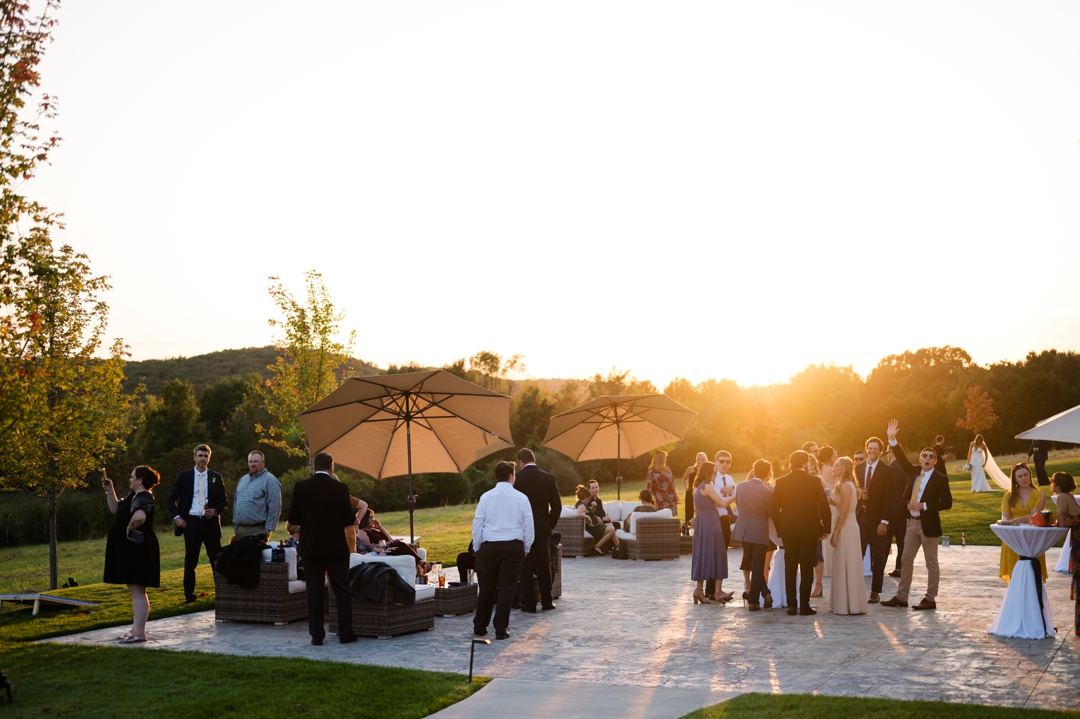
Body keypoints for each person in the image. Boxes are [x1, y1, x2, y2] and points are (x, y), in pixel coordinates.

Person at [287, 452, 359, 645]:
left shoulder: (301, 487)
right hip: (335, 548)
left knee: (314, 591)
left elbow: (293, 519)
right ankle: (345, 634)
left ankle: (316, 636)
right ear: (331, 466)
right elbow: (347, 519)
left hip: (311, 547)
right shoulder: (340, 488)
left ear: (314, 466)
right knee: (342, 590)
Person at [882, 419, 953, 611]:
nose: (927, 458)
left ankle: (930, 598)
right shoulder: (913, 472)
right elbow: (900, 457)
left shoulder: (940, 479)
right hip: (911, 524)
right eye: (924, 456)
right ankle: (901, 596)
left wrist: (924, 505)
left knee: (931, 563)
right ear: (920, 459)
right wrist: (891, 438)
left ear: (935, 461)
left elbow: (948, 503)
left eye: (931, 456)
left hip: (928, 525)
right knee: (905, 560)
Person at [472, 460, 534, 640]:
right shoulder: (521, 498)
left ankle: (480, 626)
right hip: (513, 547)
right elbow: (529, 525)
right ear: (511, 476)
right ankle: (501, 629)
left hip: (489, 547)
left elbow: (478, 523)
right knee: (507, 588)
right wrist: (526, 547)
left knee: (486, 588)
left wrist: (477, 546)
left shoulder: (486, 497)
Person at [103, 466, 161, 643]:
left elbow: (140, 517)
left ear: (140, 480)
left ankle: (139, 634)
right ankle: (135, 629)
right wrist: (109, 490)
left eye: (132, 477)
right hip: (132, 548)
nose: (130, 479)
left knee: (137, 591)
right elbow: (116, 510)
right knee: (136, 590)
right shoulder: (134, 496)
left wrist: (128, 529)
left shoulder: (143, 497)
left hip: (138, 548)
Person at [768, 450, 831, 616]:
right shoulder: (814, 481)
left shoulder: (781, 482)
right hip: (809, 531)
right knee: (806, 567)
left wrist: (779, 526)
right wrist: (826, 528)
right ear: (805, 464)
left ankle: (791, 606)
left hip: (788, 530)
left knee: (790, 567)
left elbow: (773, 507)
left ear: (791, 464)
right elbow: (824, 505)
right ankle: (804, 606)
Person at [166, 444, 229, 604]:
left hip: (210, 524)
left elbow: (224, 501)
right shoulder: (184, 476)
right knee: (190, 561)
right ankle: (189, 597)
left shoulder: (216, 476)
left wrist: (215, 510)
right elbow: (170, 499)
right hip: (191, 523)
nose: (203, 458)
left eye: (205, 456)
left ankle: (222, 594)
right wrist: (177, 517)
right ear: (194, 457)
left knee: (216, 559)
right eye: (200, 455)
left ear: (209, 458)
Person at [513, 448, 561, 613]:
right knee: (544, 565)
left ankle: (529, 604)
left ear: (521, 462)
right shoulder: (549, 477)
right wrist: (549, 524)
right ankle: (547, 602)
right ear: (534, 459)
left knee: (525, 566)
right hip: (542, 528)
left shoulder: (517, 478)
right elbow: (557, 506)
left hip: (523, 529)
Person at [857, 436, 896, 604]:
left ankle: (875, 591)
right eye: (870, 448)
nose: (872, 451)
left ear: (880, 451)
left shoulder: (887, 471)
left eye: (875, 449)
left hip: (878, 520)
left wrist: (884, 521)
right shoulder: (857, 468)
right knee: (856, 554)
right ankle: (856, 589)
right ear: (866, 449)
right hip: (860, 518)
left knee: (878, 556)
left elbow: (890, 498)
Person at [691, 461, 736, 604]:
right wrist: (736, 494)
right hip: (711, 522)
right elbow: (723, 504)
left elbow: (697, 508)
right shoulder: (708, 486)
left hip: (701, 523)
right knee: (718, 552)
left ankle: (699, 591)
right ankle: (717, 592)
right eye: (714, 472)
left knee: (703, 554)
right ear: (708, 472)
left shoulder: (697, 487)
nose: (716, 474)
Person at [733, 459, 774, 611]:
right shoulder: (768, 493)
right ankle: (753, 601)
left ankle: (764, 593)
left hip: (744, 531)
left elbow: (738, 505)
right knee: (757, 567)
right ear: (768, 475)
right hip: (759, 533)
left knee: (755, 566)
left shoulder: (741, 486)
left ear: (754, 472)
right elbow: (771, 513)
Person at [828, 457, 867, 616]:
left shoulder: (845, 486)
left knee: (848, 563)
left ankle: (848, 604)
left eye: (837, 465)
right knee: (845, 563)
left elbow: (844, 512)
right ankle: (847, 602)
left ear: (844, 468)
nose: (833, 467)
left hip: (846, 528)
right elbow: (840, 506)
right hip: (847, 525)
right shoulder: (846, 485)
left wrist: (836, 532)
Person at [998, 463, 1048, 583]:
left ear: (1030, 476)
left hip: (1032, 537)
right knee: (1014, 575)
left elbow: (1036, 517)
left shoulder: (1040, 495)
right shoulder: (1008, 495)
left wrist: (1017, 520)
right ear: (1014, 479)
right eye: (1020, 476)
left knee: (1033, 576)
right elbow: (1005, 516)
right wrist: (1005, 521)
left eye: (1026, 475)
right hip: (1013, 537)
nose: (1024, 478)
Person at [1050, 472, 1080, 635]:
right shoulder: (1070, 495)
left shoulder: (1062, 496)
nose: (1051, 483)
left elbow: (1062, 520)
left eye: (1053, 481)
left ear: (1059, 485)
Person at [231, 450, 283, 542]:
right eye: (250, 462)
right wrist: (235, 525)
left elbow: (275, 507)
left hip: (257, 531)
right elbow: (236, 502)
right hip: (239, 531)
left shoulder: (270, 480)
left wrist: (267, 531)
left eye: (256, 461)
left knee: (255, 557)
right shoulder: (243, 479)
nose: (252, 464)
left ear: (263, 462)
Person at [707, 450, 737, 600]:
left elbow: (737, 493)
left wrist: (732, 488)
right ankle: (710, 589)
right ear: (716, 462)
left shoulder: (730, 479)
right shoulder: (712, 479)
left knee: (722, 553)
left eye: (728, 462)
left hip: (725, 518)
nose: (725, 464)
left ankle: (717, 589)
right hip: (714, 519)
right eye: (722, 461)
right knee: (714, 553)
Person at [884, 448, 908, 578]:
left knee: (885, 540)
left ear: (892, 453)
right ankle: (900, 568)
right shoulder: (906, 469)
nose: (887, 455)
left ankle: (879, 566)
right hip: (903, 510)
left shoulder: (888, 468)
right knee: (901, 541)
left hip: (890, 511)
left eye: (887, 453)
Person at [575, 486, 619, 554]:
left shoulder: (582, 504)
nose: (589, 500)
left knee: (611, 526)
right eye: (589, 498)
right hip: (593, 528)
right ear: (585, 497)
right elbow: (577, 514)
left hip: (594, 526)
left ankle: (618, 547)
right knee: (612, 530)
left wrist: (593, 507)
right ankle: (597, 546)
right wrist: (587, 517)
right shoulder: (582, 505)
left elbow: (589, 512)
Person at [682, 452, 707, 524]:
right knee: (689, 512)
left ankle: (699, 527)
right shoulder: (691, 469)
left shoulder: (705, 471)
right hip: (690, 493)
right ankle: (687, 529)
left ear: (704, 460)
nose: (699, 461)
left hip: (700, 494)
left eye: (701, 459)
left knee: (699, 512)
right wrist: (686, 487)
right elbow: (684, 478)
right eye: (698, 459)